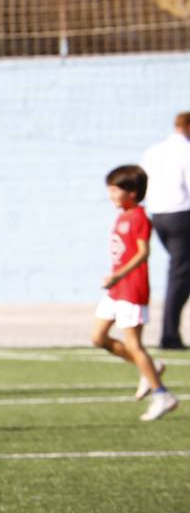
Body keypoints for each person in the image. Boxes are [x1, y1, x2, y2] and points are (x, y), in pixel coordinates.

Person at [91, 166, 178, 422]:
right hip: (116, 289)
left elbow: (143, 253)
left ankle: (162, 395)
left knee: (133, 344)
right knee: (98, 338)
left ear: (132, 192)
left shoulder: (139, 217)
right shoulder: (123, 216)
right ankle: (151, 368)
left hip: (131, 287)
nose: (110, 194)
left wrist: (119, 274)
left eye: (115, 189)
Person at [139, 112, 190, 350]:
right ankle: (169, 335)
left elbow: (143, 182)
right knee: (180, 274)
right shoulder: (186, 150)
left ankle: (171, 333)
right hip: (182, 214)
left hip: (159, 214)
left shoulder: (154, 151)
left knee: (180, 272)